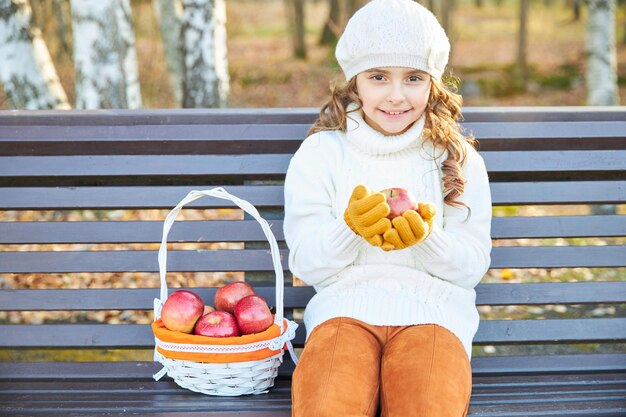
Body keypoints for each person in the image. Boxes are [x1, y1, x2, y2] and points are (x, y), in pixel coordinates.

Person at [283, 0, 492, 416]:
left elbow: (472, 266)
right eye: (379, 77)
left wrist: (426, 239)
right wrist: (350, 228)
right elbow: (305, 263)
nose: (396, 95)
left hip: (434, 317)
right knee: (326, 406)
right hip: (343, 314)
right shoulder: (322, 153)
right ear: (354, 80)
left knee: (427, 406)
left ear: (433, 82)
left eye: (413, 78)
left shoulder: (456, 157)